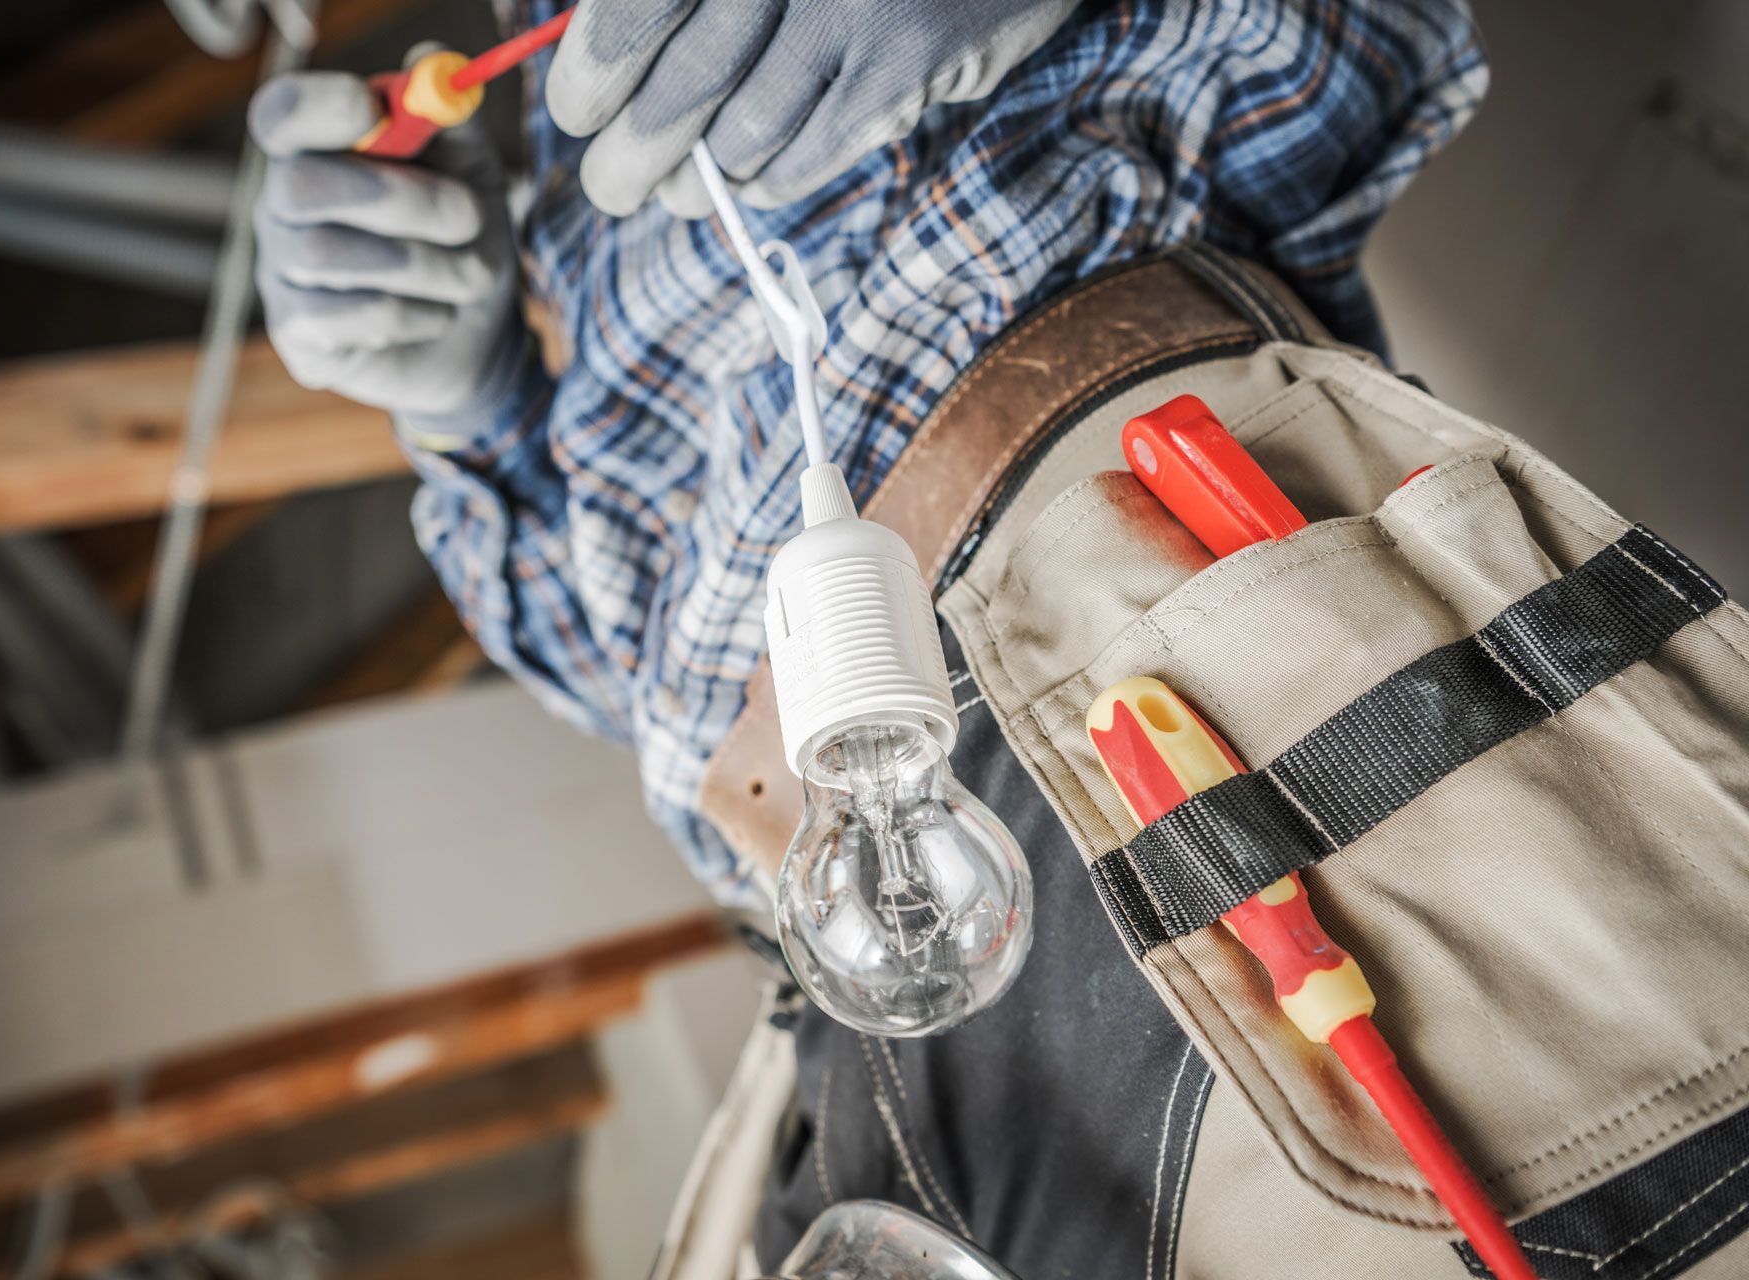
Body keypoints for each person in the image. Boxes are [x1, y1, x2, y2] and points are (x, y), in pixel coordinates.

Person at [249, 3, 1712, 1275]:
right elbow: (622, 670)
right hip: (839, 949)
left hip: (1123, 625)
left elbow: (1377, 45)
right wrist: (474, 409)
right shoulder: (557, 122)